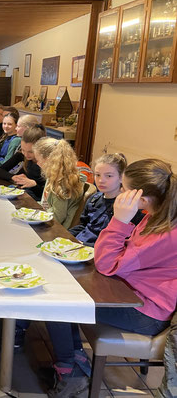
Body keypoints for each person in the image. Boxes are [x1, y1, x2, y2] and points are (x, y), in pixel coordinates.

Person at [44, 158, 177, 398]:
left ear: (142, 198)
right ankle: (74, 358)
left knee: (57, 304)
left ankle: (71, 374)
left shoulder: (166, 233)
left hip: (147, 311)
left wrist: (119, 220)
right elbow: (123, 255)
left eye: (125, 189)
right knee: (64, 288)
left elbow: (108, 265)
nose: (121, 194)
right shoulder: (159, 215)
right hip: (131, 292)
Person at [69, 153, 144, 246]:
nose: (101, 180)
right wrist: (66, 236)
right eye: (98, 175)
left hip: (98, 252)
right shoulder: (94, 199)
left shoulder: (127, 207)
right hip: (78, 245)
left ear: (121, 178)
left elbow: (123, 243)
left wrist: (84, 245)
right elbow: (83, 225)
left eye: (108, 176)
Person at [33, 138, 84, 229]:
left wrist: (35, 217)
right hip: (51, 221)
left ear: (49, 160)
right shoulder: (56, 175)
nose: (37, 163)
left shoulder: (61, 182)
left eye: (38, 160)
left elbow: (58, 216)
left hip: (58, 228)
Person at [0, 125, 46, 201]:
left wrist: (34, 184)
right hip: (24, 194)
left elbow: (48, 195)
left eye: (30, 152)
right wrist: (13, 177)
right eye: (23, 150)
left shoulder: (48, 162)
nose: (25, 154)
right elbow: (0, 170)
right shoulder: (22, 155)